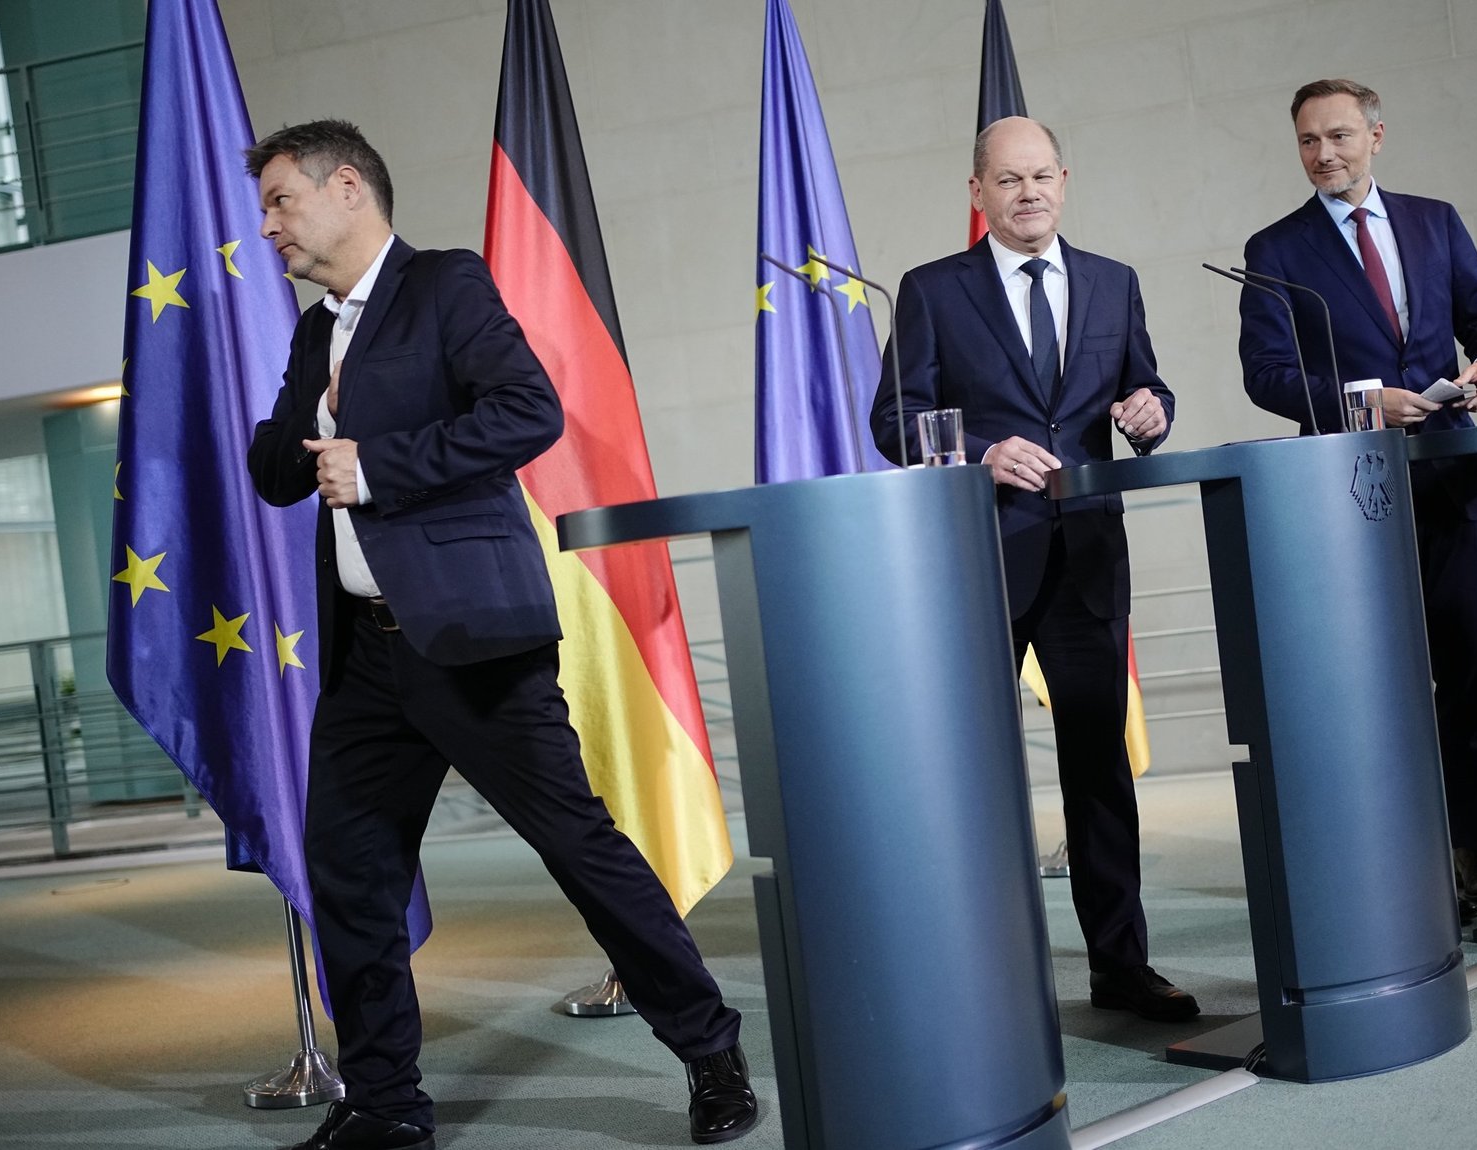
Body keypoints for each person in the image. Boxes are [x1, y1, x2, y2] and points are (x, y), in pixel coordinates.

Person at [244, 120, 755, 1150]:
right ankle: (385, 1104)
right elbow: (272, 469)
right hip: (366, 658)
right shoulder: (312, 331)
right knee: (347, 876)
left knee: (579, 849)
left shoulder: (445, 286)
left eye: (279, 202)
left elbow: (528, 413)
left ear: (347, 187)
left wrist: (376, 462)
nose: (268, 228)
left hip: (474, 638)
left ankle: (709, 1051)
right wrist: (315, 425)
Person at [871, 116, 1194, 1022]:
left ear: (1065, 178)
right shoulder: (932, 291)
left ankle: (1121, 968)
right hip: (978, 564)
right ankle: (979, 978)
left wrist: (1151, 412)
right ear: (978, 192)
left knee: (1098, 770)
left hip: (1087, 555)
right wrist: (976, 451)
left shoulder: (1111, 282)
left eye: (1042, 176)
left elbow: (1149, 389)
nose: (1029, 195)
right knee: (969, 773)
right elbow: (893, 422)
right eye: (1008, 181)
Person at [1237, 80, 1477, 916]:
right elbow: (1267, 376)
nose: (1324, 154)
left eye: (1338, 136)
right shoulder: (1276, 248)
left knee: (1471, 666)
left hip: (1450, 480)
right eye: (1307, 142)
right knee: (1375, 680)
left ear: (1376, 135)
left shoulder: (1435, 221)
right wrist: (1365, 402)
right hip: (1348, 495)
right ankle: (1393, 850)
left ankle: (1471, 842)